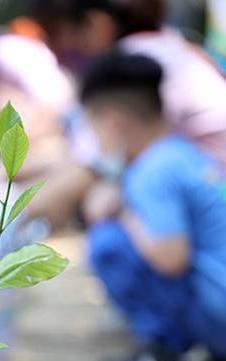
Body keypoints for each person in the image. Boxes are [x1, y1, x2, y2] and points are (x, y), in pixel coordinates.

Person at [81, 50, 226, 361]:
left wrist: (122, 210)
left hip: (219, 318)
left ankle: (178, 351)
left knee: (108, 242)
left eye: (93, 127)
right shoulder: (182, 153)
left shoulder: (151, 172)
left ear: (114, 121)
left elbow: (171, 257)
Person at [26, 0, 226, 227]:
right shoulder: (165, 43)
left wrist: (6, 218)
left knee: (106, 221)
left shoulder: (129, 66)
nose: (55, 47)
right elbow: (71, 150)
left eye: (56, 33)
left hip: (212, 204)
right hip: (207, 193)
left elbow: (90, 164)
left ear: (97, 23)